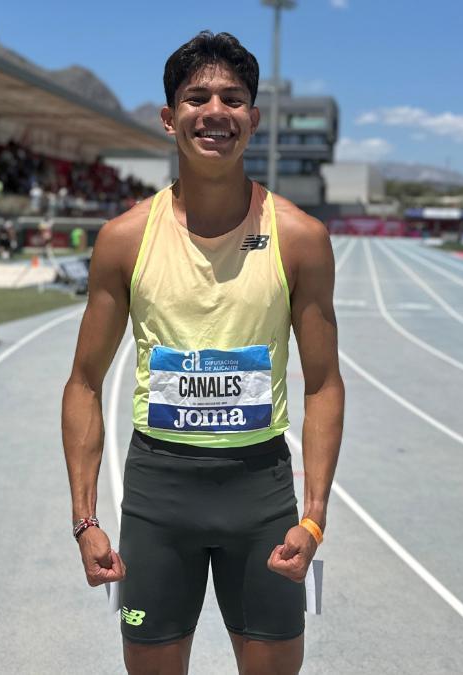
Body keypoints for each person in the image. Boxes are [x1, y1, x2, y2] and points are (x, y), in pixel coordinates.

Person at [61, 31, 344, 675]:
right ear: (169, 117)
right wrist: (85, 521)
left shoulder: (300, 239)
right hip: (159, 495)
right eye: (196, 97)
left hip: (260, 492)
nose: (215, 110)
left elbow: (323, 382)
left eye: (232, 98)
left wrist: (315, 518)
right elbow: (83, 381)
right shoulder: (123, 240)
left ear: (253, 117)